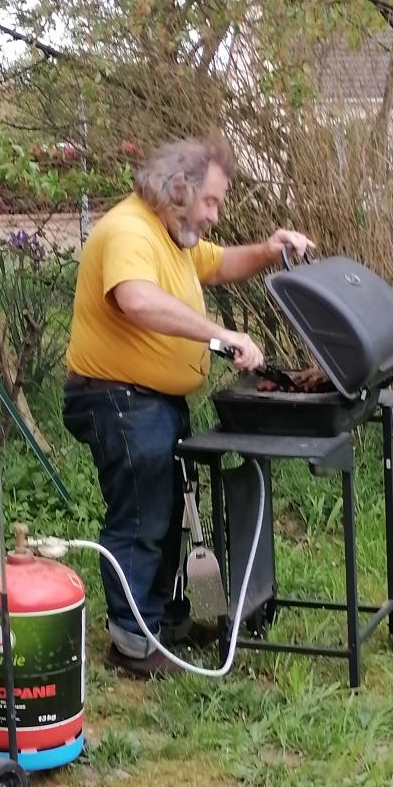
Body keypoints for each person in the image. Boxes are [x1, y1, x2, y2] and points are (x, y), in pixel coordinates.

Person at [62, 132, 312, 679]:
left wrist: (270, 251)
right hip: (118, 399)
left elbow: (220, 264)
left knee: (169, 509)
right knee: (142, 516)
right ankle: (132, 642)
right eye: (212, 201)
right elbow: (136, 299)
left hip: (152, 400)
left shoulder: (173, 234)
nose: (216, 215)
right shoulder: (129, 230)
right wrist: (221, 335)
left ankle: (164, 622)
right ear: (179, 187)